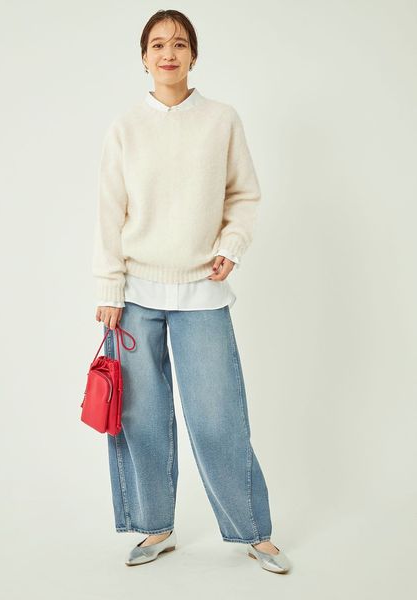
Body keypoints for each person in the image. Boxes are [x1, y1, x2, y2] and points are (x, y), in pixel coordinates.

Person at [91, 9, 291, 574]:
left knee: (218, 417)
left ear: (194, 55)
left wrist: (233, 244)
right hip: (134, 297)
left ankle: (254, 532)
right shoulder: (125, 128)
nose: (168, 53)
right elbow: (109, 212)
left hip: (202, 291)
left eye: (179, 44)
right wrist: (108, 286)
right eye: (158, 44)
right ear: (144, 57)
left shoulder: (221, 120)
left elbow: (243, 195)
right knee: (141, 418)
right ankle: (155, 526)